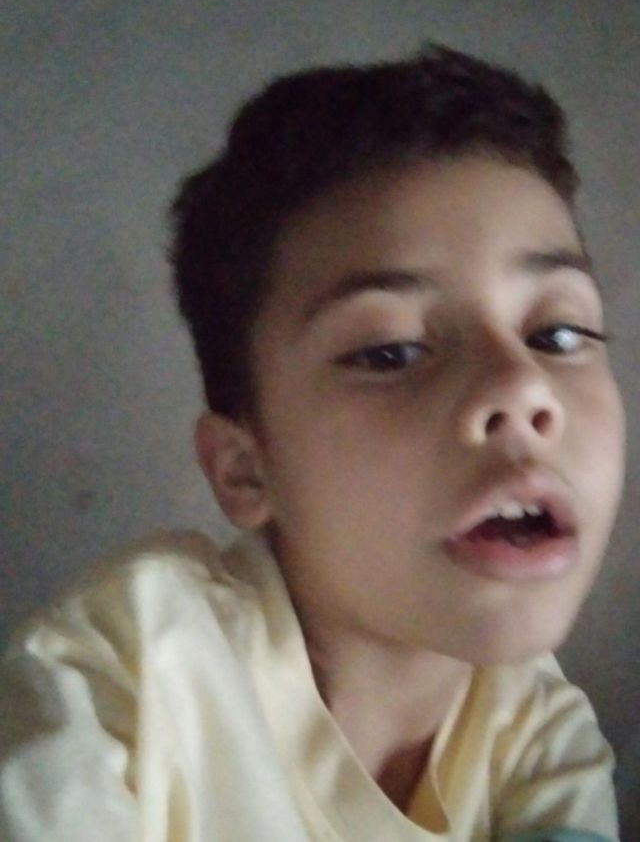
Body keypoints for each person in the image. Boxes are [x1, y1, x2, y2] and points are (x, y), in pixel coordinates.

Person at [0, 45, 626, 841]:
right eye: (390, 352)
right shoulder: (121, 683)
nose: (521, 387)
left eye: (559, 333)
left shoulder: (543, 734)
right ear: (245, 468)